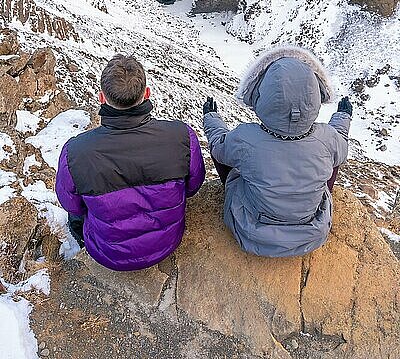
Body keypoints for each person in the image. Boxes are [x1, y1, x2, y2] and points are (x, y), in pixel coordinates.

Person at [56, 54, 205, 271]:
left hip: (108, 254)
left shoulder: (76, 153)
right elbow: (193, 187)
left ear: (101, 98)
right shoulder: (181, 135)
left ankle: (82, 246)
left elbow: (71, 205)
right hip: (166, 244)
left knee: (76, 208)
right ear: (147, 94)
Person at [203, 45, 352, 258]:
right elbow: (342, 148)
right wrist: (343, 117)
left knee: (228, 152)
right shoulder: (326, 137)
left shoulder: (246, 138)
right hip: (311, 231)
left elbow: (219, 147)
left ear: (264, 97)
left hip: (251, 229)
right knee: (333, 155)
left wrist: (211, 118)